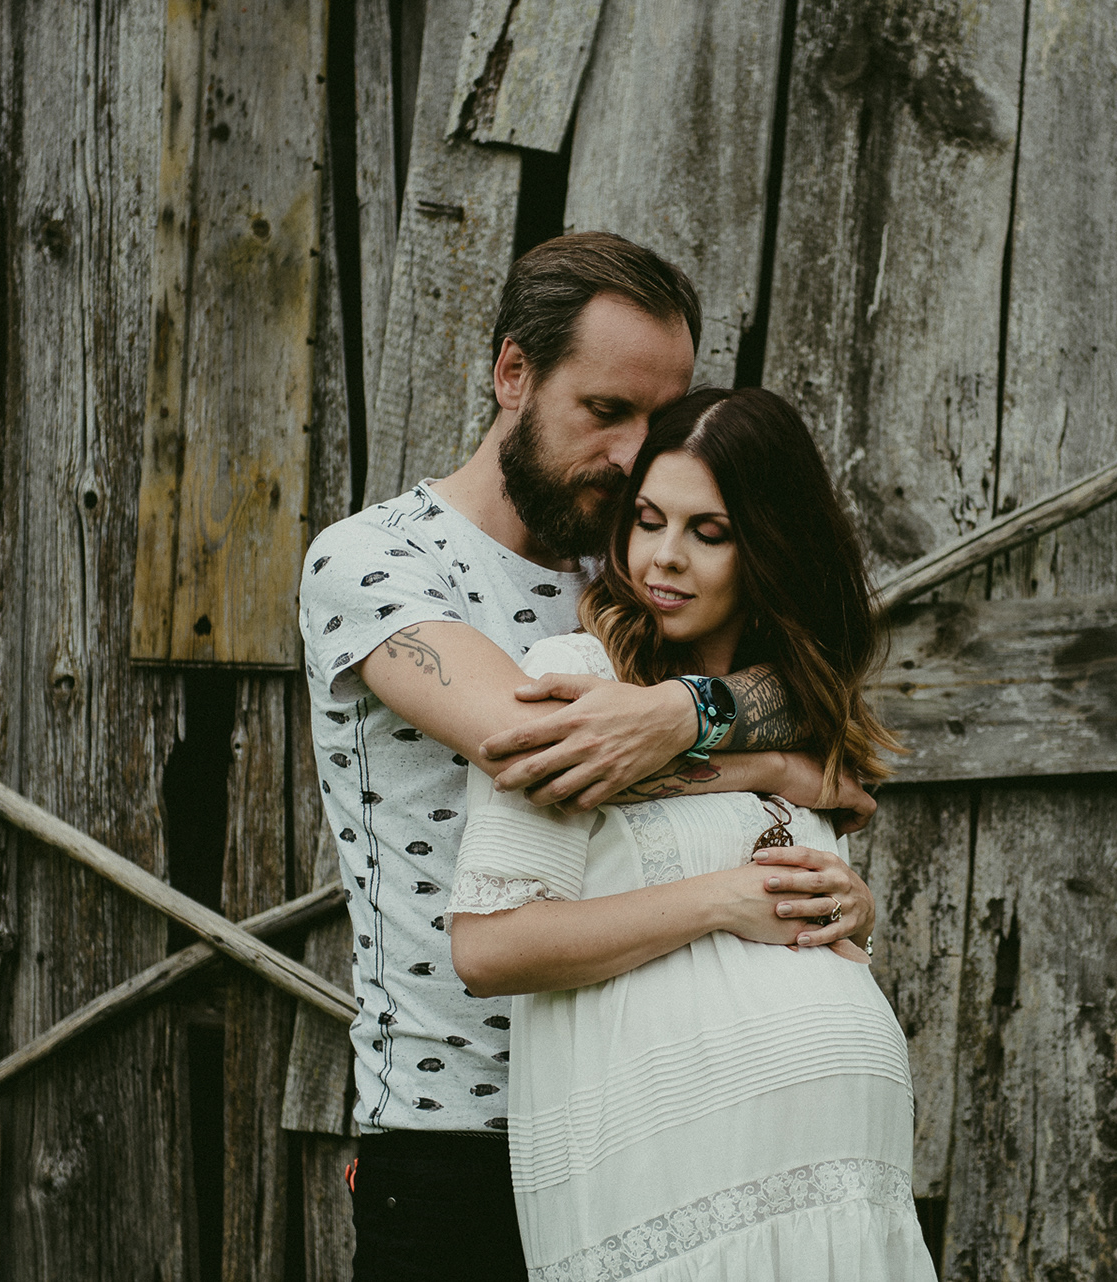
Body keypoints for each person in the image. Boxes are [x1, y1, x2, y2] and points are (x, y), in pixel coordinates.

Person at [298, 232, 881, 1281]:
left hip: (651, 1122)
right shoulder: (380, 562)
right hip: (461, 1133)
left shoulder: (634, 566)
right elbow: (538, 749)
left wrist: (712, 732)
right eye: (605, 410)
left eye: (657, 420)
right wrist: (754, 752)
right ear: (512, 373)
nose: (630, 455)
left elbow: (815, 706)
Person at [447, 387, 939, 1281]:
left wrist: (849, 914)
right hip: (679, 1199)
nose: (663, 558)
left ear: (769, 548)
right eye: (647, 521)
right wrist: (721, 900)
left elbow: (786, 929)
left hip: (846, 1199)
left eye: (708, 533)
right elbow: (491, 948)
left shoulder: (793, 710)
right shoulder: (574, 680)